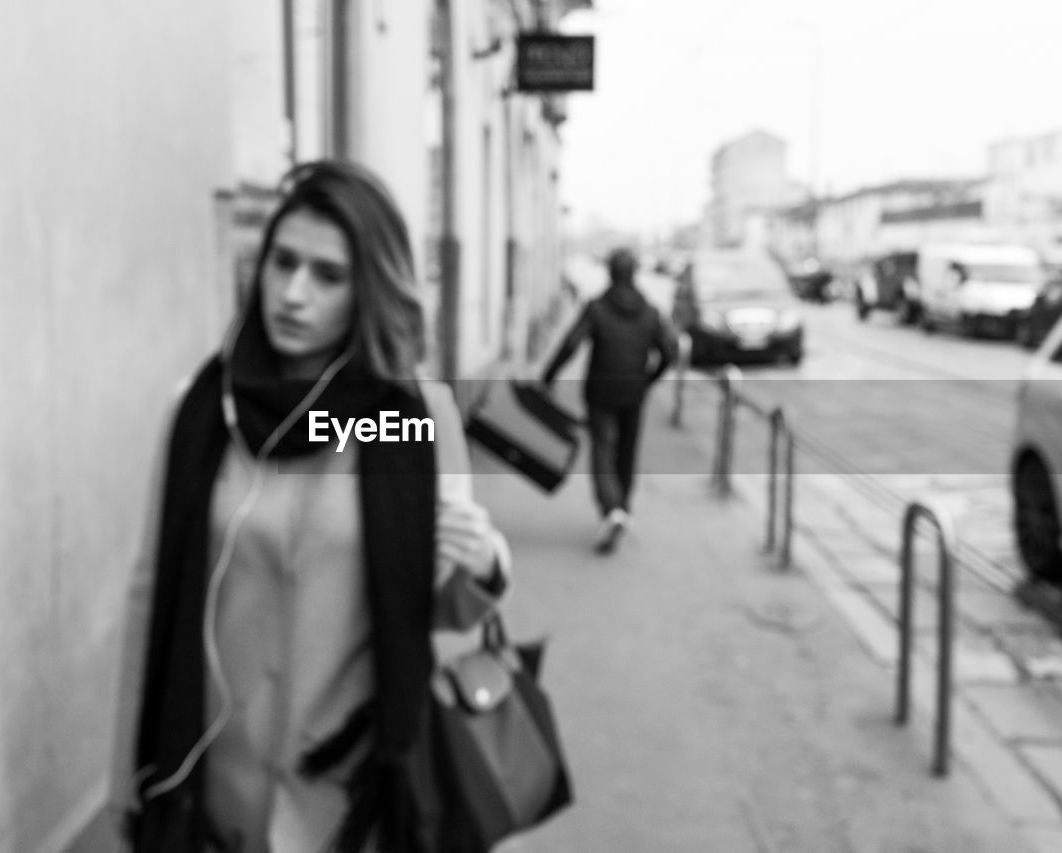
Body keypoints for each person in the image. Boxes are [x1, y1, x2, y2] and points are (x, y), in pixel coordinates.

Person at [109, 160, 511, 852]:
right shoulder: (206, 411)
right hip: (210, 791)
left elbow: (435, 603)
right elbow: (152, 593)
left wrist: (482, 562)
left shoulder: (410, 421)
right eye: (282, 263)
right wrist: (126, 772)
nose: (293, 294)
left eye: (328, 276)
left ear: (368, 290)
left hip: (352, 798)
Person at [541, 248, 677, 554]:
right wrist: (649, 380)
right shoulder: (650, 312)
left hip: (601, 393)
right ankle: (623, 508)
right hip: (634, 393)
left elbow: (571, 343)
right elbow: (670, 351)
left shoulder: (597, 308)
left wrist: (548, 376)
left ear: (610, 273)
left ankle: (612, 509)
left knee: (603, 449)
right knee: (626, 452)